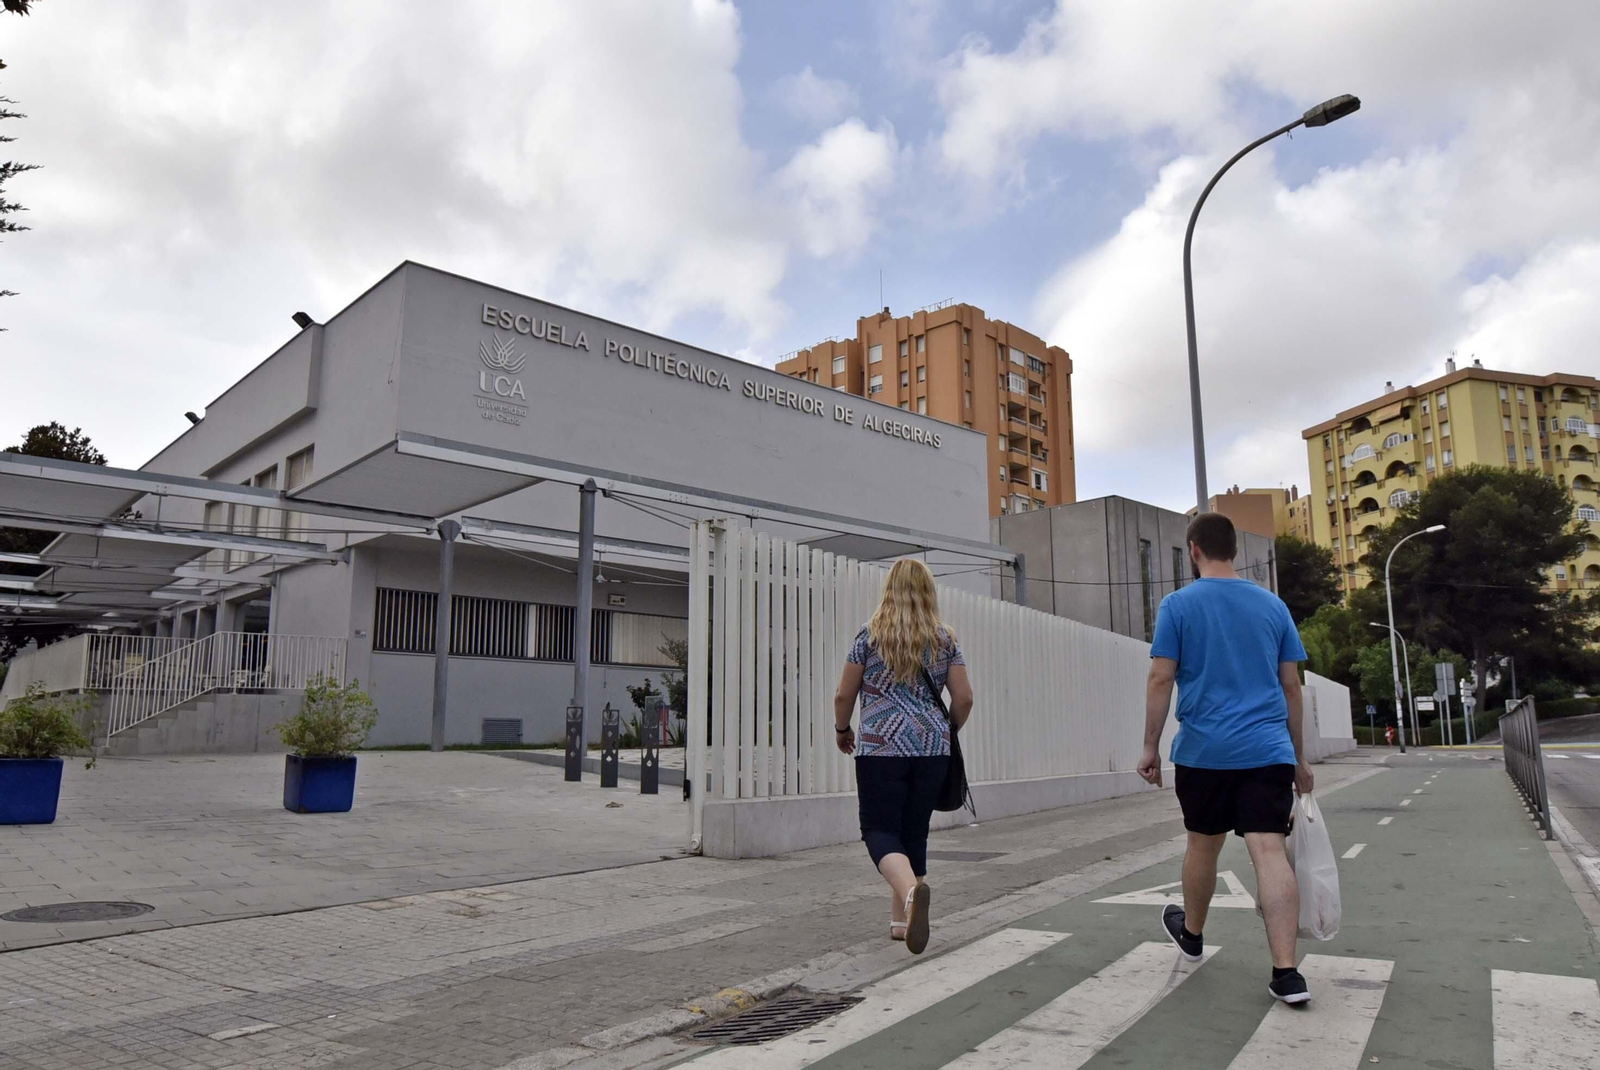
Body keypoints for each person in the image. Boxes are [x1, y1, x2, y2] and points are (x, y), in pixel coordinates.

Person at [1137, 512, 1316, 1005]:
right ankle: (1286, 973)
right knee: (1269, 851)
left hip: (1204, 753)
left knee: (1202, 846)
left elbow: (1160, 679)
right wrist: (1299, 758)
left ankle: (1191, 936)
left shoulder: (1177, 605)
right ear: (1234, 550)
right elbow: (1291, 687)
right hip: (1266, 751)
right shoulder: (1273, 606)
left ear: (1193, 550)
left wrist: (1150, 747)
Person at [835, 558, 972, 955]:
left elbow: (844, 694)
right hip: (931, 749)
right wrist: (944, 732)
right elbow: (964, 698)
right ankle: (901, 923)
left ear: (889, 589)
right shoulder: (945, 640)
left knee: (878, 830)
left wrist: (843, 729)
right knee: (913, 830)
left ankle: (911, 894)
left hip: (880, 748)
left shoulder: (869, 636)